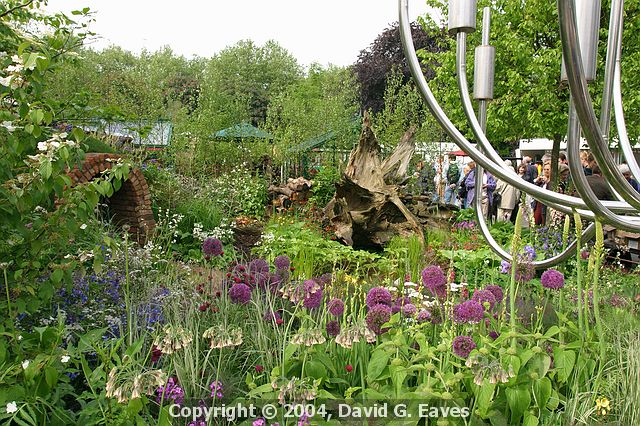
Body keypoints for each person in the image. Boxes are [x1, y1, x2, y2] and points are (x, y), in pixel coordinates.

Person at [532, 161, 552, 225]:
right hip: (538, 204)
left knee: (544, 223)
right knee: (535, 222)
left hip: (546, 205)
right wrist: (537, 182)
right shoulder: (541, 182)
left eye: (548, 169)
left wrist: (547, 182)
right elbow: (533, 191)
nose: (546, 171)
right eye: (545, 169)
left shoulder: (552, 182)